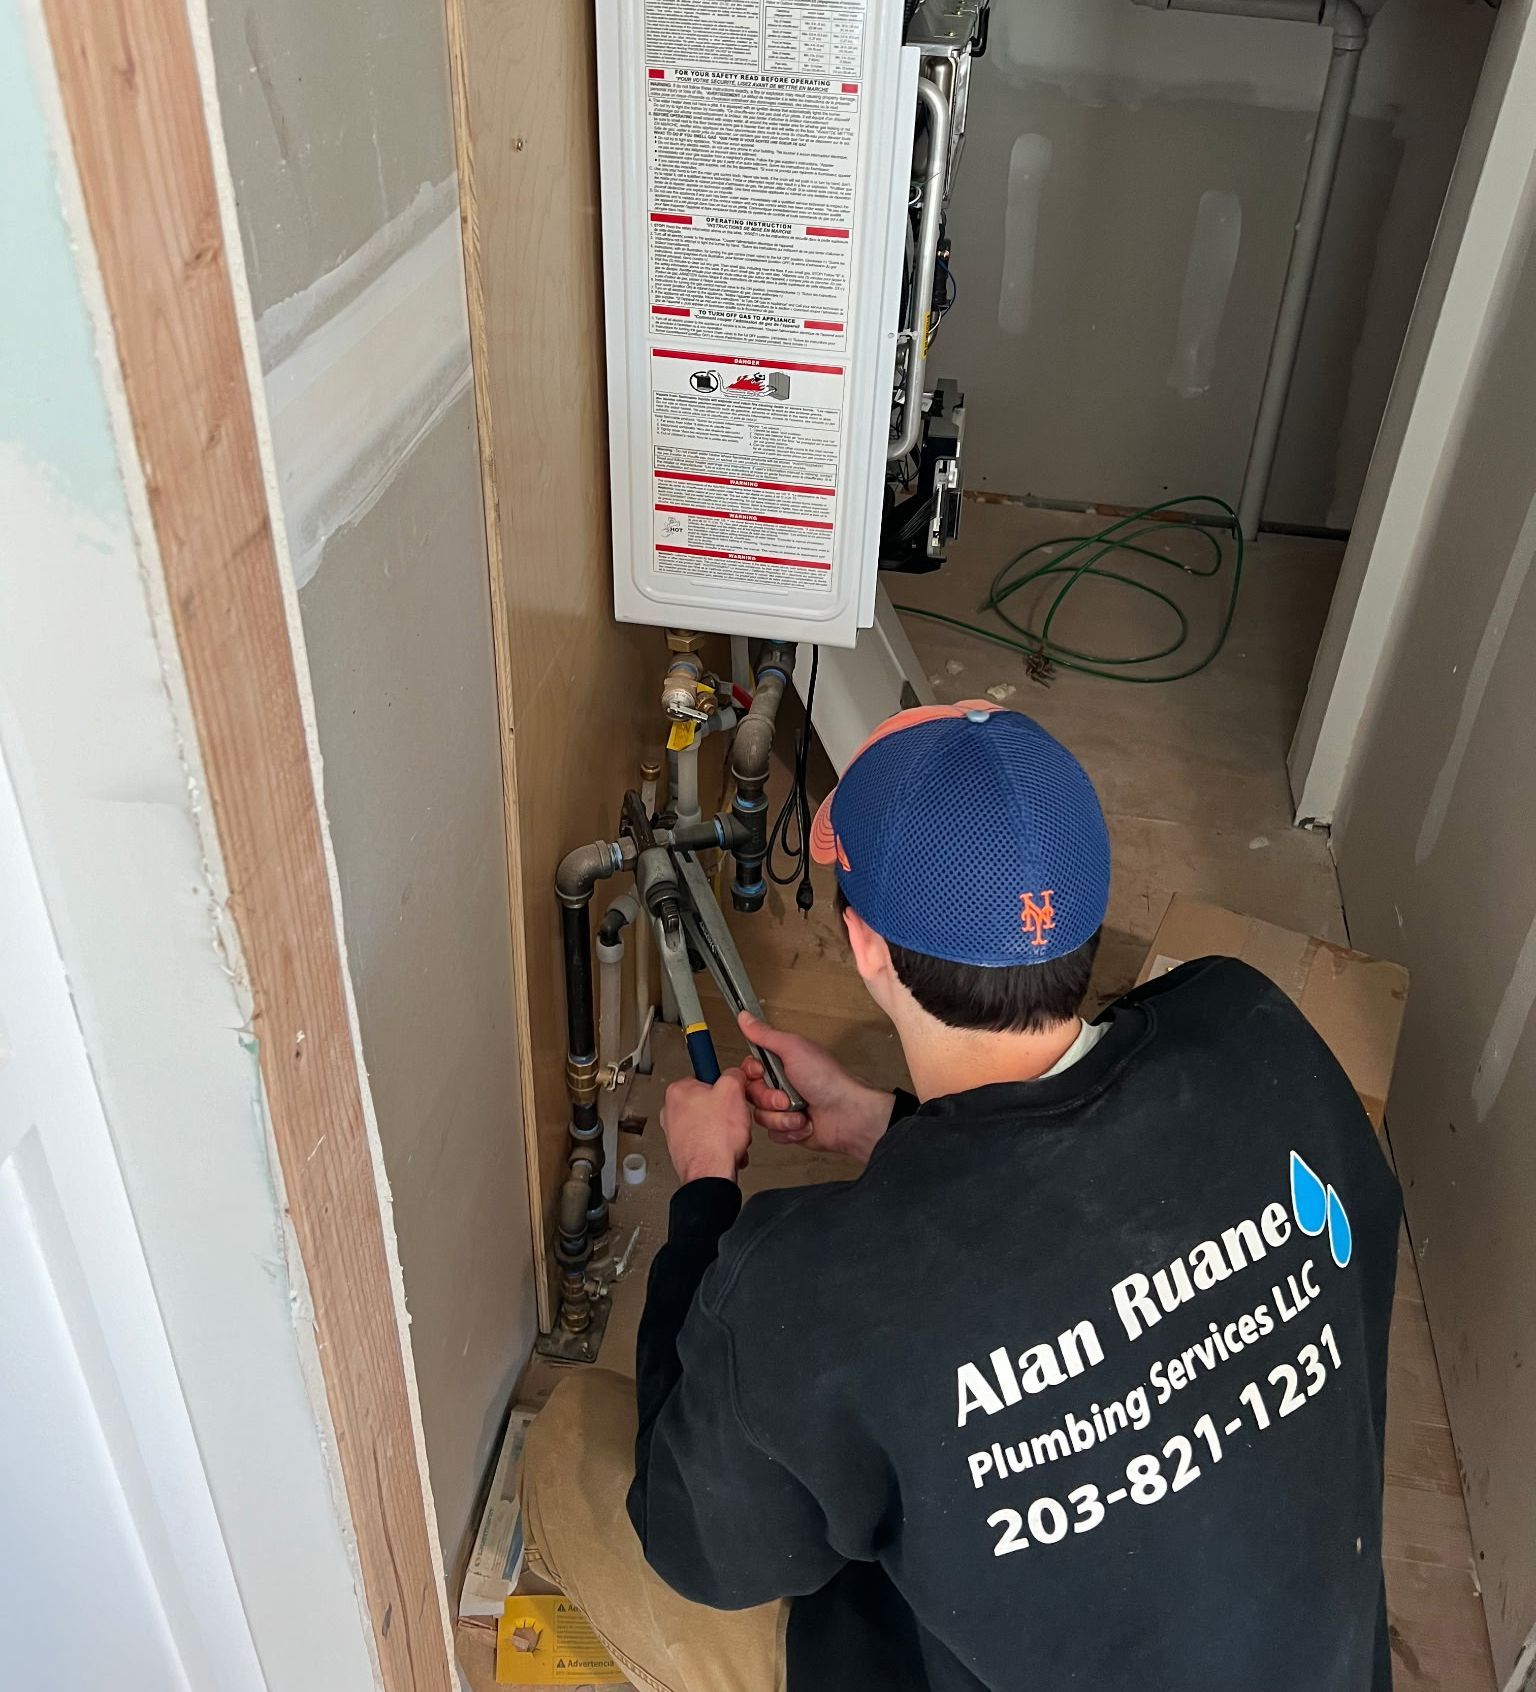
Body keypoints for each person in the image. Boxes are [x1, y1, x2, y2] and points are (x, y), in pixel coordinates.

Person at [520, 701, 1401, 1692]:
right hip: (1315, 1661)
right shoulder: (1255, 1034)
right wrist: (890, 1125)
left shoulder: (809, 1285)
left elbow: (702, 1551)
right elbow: (1077, 1199)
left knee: (568, 1453)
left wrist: (706, 1193)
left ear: (863, 946)